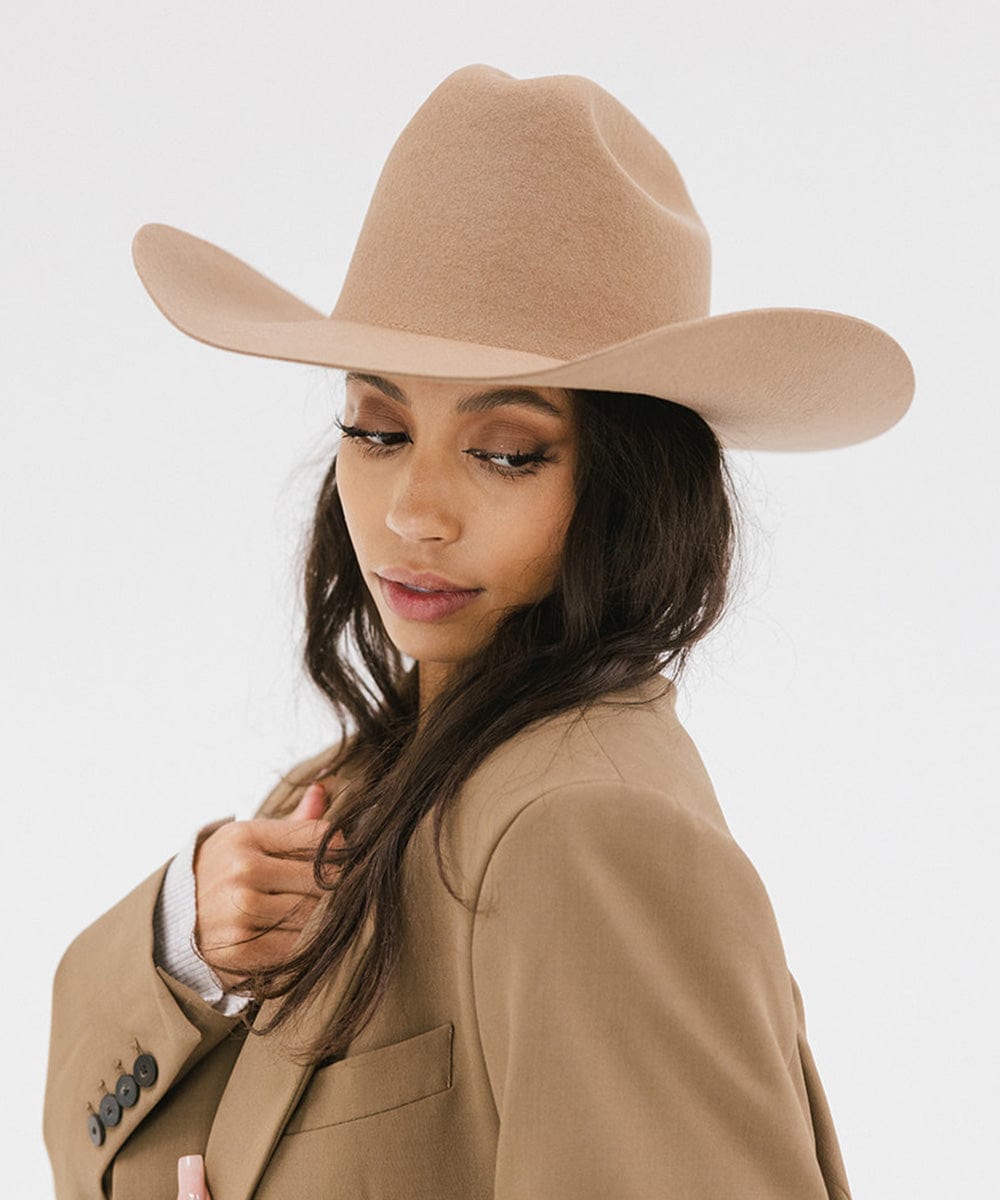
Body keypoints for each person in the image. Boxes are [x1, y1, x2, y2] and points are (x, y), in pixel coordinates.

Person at [43, 64, 915, 1200]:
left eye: (505, 451)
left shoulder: (582, 834)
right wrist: (180, 935)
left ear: (627, 484)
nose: (413, 513)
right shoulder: (357, 788)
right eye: (375, 428)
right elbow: (93, 1160)